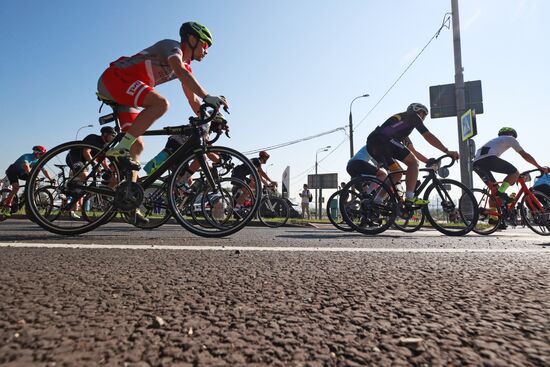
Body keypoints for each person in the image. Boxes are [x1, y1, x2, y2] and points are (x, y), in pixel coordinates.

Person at [96, 21, 228, 168]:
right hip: (115, 78)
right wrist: (207, 96)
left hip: (127, 92)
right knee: (160, 104)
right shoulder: (172, 47)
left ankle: (128, 189)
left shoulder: (186, 70)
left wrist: (212, 118)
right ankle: (120, 148)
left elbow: (193, 99)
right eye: (205, 45)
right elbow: (179, 70)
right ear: (192, 39)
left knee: (137, 145)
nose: (206, 51)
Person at [366, 103, 459, 205]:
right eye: (423, 114)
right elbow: (428, 136)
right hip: (383, 140)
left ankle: (376, 202)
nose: (423, 118)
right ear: (417, 111)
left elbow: (412, 151)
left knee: (397, 173)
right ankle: (410, 197)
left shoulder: (402, 126)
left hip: (374, 144)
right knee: (413, 163)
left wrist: (427, 161)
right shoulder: (413, 117)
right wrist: (447, 151)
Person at [473, 127, 549, 202]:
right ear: (511, 134)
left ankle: (493, 211)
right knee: (514, 173)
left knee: (494, 189)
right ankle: (501, 193)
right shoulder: (510, 138)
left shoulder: (493, 142)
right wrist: (539, 166)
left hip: (476, 164)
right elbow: (524, 155)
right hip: (488, 159)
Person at [65, 126, 118, 219]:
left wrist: (108, 170)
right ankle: (68, 188)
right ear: (105, 134)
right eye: (112, 135)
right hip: (74, 157)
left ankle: (72, 191)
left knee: (82, 183)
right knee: (84, 175)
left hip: (83, 162)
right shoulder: (93, 138)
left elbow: (103, 161)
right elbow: (86, 152)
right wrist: (94, 164)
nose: (113, 137)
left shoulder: (105, 145)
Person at [1, 146, 54, 216]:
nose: (42, 156)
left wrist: (50, 179)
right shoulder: (27, 156)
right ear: (37, 153)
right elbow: (26, 166)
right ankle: (7, 204)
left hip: (21, 173)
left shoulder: (37, 161)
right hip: (12, 171)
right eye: (42, 154)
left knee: (34, 180)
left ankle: (27, 196)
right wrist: (30, 174)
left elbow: (44, 170)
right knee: (16, 187)